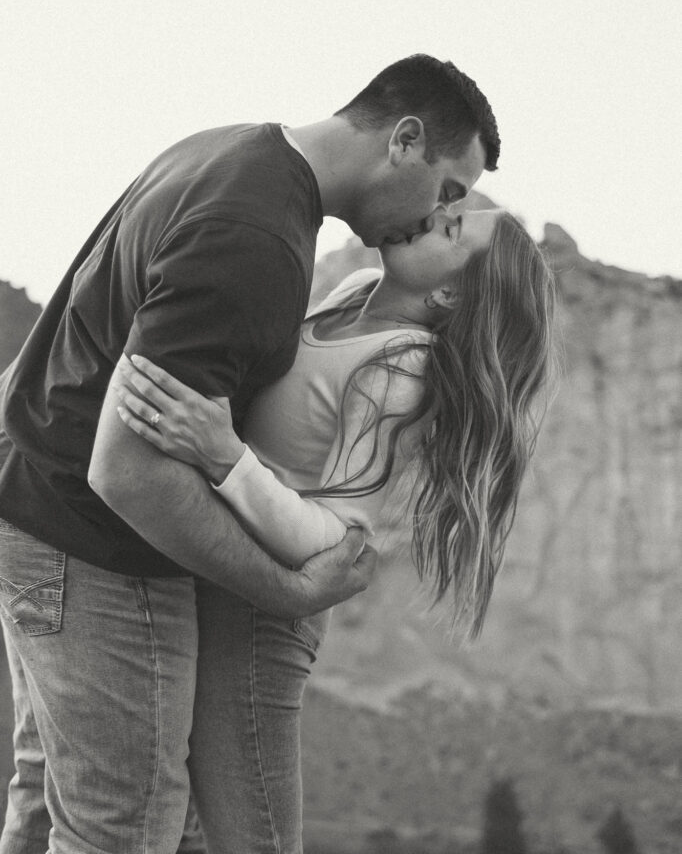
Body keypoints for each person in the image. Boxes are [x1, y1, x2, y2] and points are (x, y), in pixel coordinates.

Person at [0, 54, 501, 853]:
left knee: (49, 803)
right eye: (448, 190)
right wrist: (290, 588)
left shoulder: (228, 154)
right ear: (405, 140)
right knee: (123, 831)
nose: (440, 214)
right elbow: (124, 469)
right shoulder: (257, 235)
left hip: (39, 512)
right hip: (96, 546)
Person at [111, 205, 556, 853]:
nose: (433, 215)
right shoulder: (351, 297)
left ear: (448, 293)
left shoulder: (402, 366)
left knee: (250, 838)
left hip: (259, 624)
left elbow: (332, 539)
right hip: (203, 576)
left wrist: (221, 455)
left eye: (453, 230)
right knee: (175, 830)